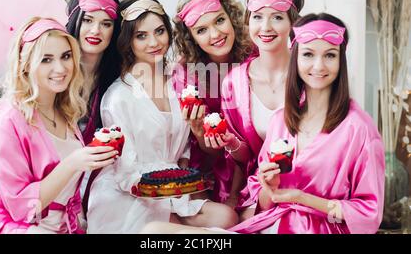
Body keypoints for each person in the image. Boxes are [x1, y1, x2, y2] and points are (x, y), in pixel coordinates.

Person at [142, 13, 385, 234]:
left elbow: (369, 214)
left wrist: (302, 199)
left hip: (321, 229)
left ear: (340, 60)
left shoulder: (359, 127)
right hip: (271, 225)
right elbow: (265, 202)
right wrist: (270, 188)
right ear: (296, 58)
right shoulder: (282, 119)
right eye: (308, 54)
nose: (318, 66)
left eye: (329, 55)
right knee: (153, 232)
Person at [86, 0, 238, 233]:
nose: (154, 42)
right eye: (141, 36)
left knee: (227, 216)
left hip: (175, 188)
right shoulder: (118, 97)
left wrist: (196, 134)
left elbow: (184, 152)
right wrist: (171, 192)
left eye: (159, 31)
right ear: (127, 42)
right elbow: (125, 173)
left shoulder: (178, 82)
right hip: (130, 195)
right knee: (158, 230)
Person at [0, 17, 117, 233]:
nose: (60, 68)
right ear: (26, 65)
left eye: (66, 56)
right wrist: (73, 162)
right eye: (46, 59)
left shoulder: (64, 110)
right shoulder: (8, 120)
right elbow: (18, 205)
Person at [209, 0, 304, 220]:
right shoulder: (234, 83)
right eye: (258, 17)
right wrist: (230, 142)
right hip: (262, 184)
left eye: (277, 17)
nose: (266, 27)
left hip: (309, 182)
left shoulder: (311, 74)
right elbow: (246, 158)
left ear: (294, 23)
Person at [172, 0, 253, 206]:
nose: (216, 34)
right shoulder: (186, 74)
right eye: (201, 30)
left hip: (258, 155)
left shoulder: (255, 54)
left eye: (219, 20)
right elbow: (210, 149)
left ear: (231, 17)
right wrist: (198, 129)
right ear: (191, 38)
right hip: (215, 165)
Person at [65, 0, 121, 214]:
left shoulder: (115, 79)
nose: (95, 30)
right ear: (76, 20)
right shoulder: (56, 71)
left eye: (106, 23)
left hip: (82, 185)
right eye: (88, 20)